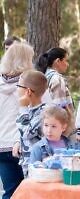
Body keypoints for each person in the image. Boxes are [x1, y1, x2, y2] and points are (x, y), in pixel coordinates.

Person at [0, 42, 33, 199]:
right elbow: (44, 110)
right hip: (24, 145)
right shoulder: (30, 83)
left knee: (10, 192)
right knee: (30, 193)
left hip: (2, 146)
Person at [12, 70, 47, 176]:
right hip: (27, 163)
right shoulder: (29, 110)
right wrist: (18, 141)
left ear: (28, 91)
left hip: (38, 166)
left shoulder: (43, 112)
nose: (17, 89)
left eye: (18, 86)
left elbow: (27, 132)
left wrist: (22, 108)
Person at [35, 47, 75, 137]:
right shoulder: (57, 79)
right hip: (59, 130)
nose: (67, 64)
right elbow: (60, 107)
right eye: (66, 60)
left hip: (47, 126)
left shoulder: (43, 76)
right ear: (58, 61)